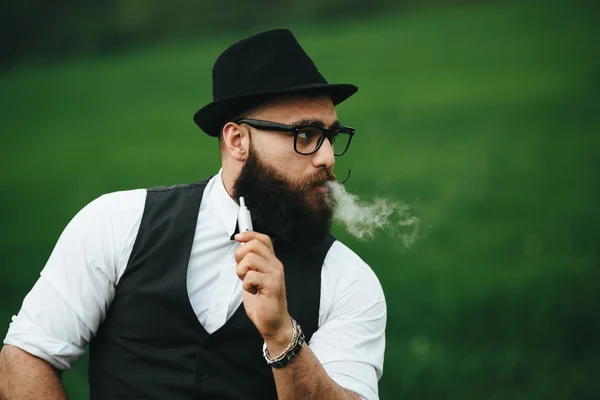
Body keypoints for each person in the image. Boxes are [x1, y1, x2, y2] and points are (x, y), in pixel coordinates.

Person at [0, 29, 386, 400]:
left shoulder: (348, 282)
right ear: (237, 140)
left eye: (331, 137)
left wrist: (283, 336)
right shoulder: (117, 223)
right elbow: (23, 358)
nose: (327, 157)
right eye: (305, 135)